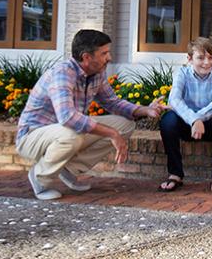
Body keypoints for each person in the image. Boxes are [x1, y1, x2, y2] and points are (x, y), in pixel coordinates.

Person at [16, 29, 165, 200]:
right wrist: (111, 134)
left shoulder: (96, 74)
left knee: (125, 124)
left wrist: (145, 110)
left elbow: (112, 102)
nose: (109, 58)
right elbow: (68, 117)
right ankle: (40, 178)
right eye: (104, 53)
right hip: (32, 136)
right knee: (72, 133)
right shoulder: (63, 74)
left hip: (63, 132)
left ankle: (69, 169)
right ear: (86, 57)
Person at [158, 37, 212, 193]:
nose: (207, 62)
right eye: (201, 58)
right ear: (189, 59)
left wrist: (199, 118)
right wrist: (193, 119)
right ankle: (175, 173)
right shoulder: (182, 73)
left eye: (210, 57)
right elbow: (174, 100)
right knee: (168, 120)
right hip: (187, 126)